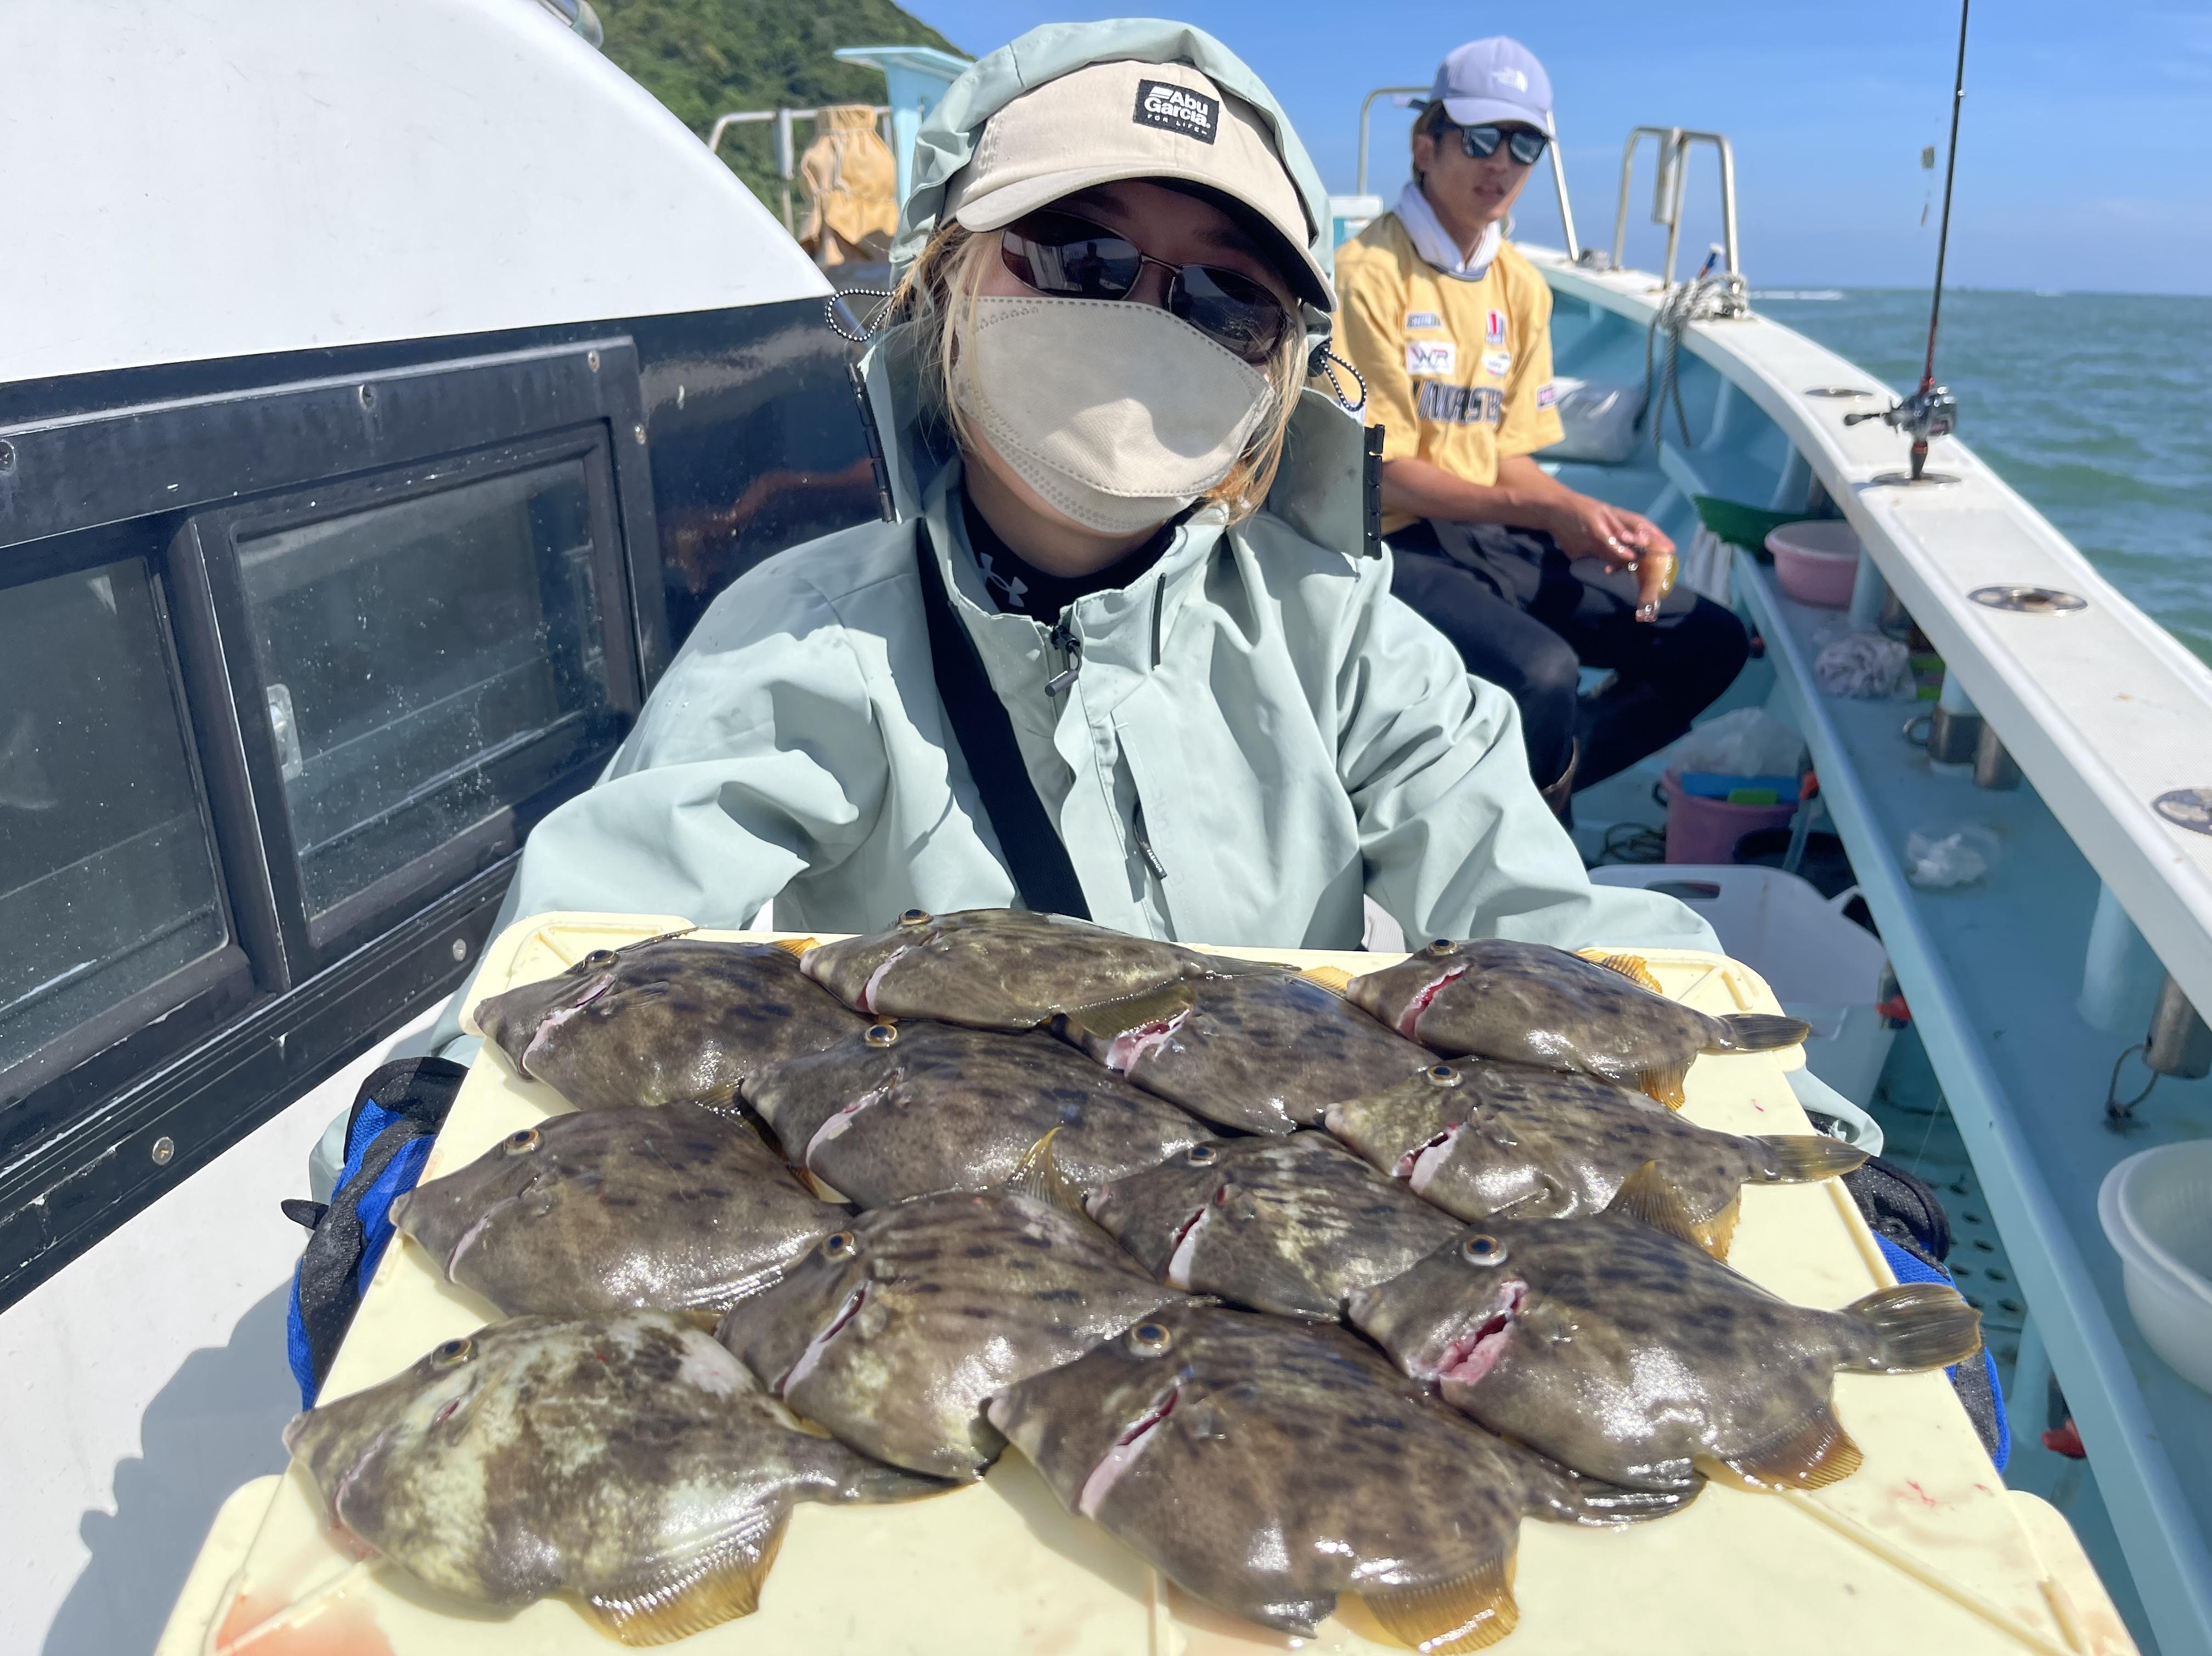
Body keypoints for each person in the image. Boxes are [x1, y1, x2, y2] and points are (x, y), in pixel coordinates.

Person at [425, 19, 1712, 1058]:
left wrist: (1759, 1096)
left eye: (1223, 300)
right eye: (1081, 254)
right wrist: (432, 1110)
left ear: (1278, 379)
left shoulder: (1348, 644)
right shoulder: (811, 639)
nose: (1148, 322)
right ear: (946, 275)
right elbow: (582, 950)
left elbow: (1547, 924)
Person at [1333, 37, 1748, 812]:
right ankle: (1523, 828)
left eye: (1525, 144)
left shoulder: (1521, 287)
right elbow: (1381, 473)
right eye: (1480, 138)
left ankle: (1531, 800)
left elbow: (1513, 456)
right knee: (1543, 672)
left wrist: (1587, 517)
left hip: (1493, 531)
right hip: (1389, 543)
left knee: (1709, 640)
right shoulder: (1367, 273)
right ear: (1426, 145)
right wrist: (1543, 509)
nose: (1502, 162)